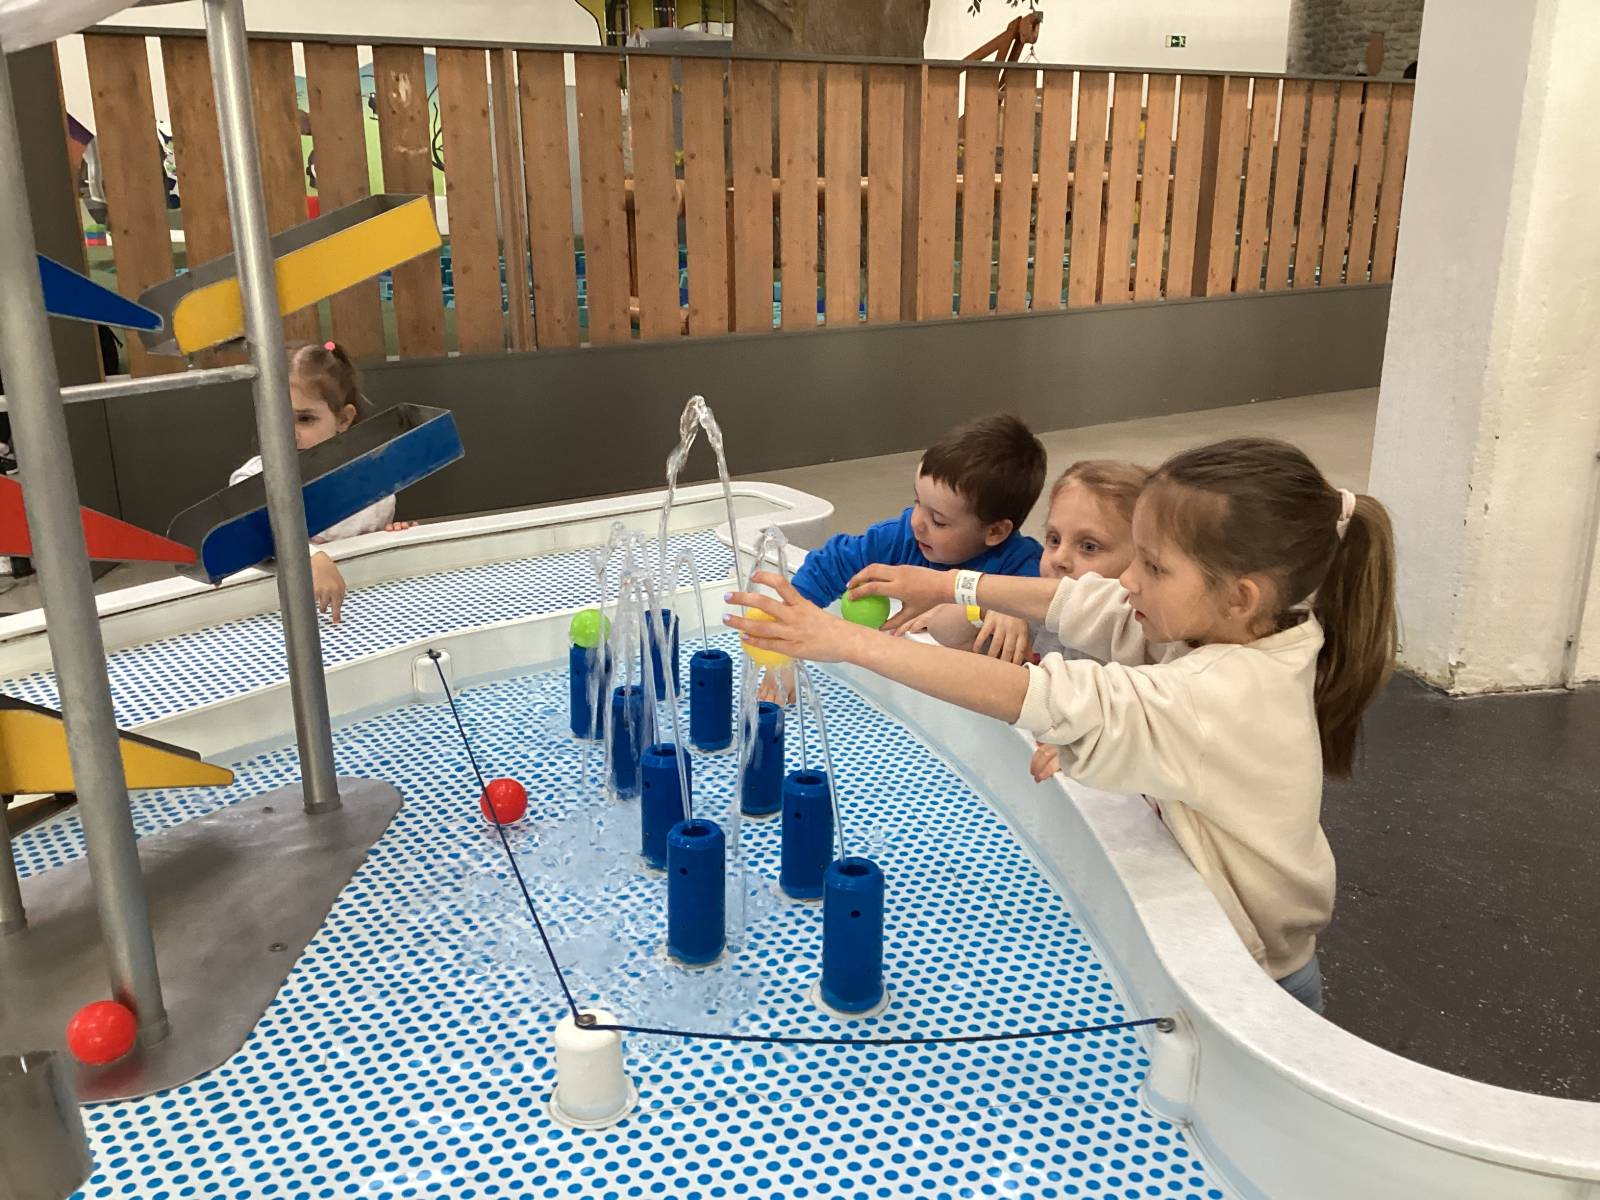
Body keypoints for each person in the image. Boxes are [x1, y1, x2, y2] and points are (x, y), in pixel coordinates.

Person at [726, 438, 1398, 1014]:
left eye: (1152, 565)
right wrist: (951, 585)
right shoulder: (1249, 626)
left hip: (1254, 974)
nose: (1128, 580)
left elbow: (1043, 694)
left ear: (1240, 594)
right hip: (1227, 941)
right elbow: (1087, 603)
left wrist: (845, 642)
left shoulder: (1224, 691)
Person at [762, 413, 1047, 700]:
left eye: (938, 521)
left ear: (995, 531)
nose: (917, 522)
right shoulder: (901, 538)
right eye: (917, 502)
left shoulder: (1022, 567)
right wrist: (785, 651)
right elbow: (830, 564)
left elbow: (1045, 608)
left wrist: (1011, 610)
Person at [230, 341, 414, 622]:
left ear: (343, 419)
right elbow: (250, 535)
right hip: (274, 616)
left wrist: (395, 536)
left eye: (305, 419)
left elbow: (373, 563)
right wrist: (309, 557)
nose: (288, 433)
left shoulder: (372, 487)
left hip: (355, 615)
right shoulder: (252, 481)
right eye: (276, 417)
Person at [904, 459, 1149, 665]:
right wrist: (986, 608)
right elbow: (943, 631)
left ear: (1145, 563)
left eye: (1089, 547)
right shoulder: (1037, 614)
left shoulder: (1141, 644)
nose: (1059, 558)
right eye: (1054, 540)